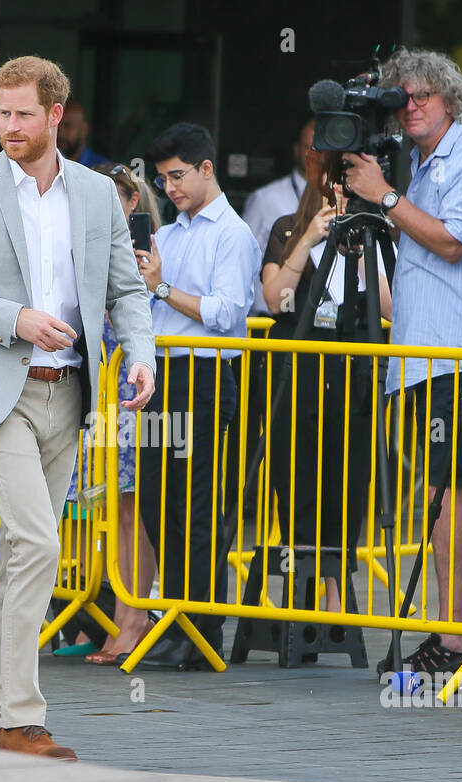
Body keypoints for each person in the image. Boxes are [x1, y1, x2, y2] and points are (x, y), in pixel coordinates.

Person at [0, 56, 155, 759]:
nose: (10, 127)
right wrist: (12, 316)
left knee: (23, 554)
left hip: (70, 391)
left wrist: (140, 352)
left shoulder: (95, 193)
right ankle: (22, 714)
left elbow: (125, 291)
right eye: (2, 114)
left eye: (24, 114)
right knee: (41, 544)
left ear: (57, 115)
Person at [340, 47, 462, 675]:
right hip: (421, 352)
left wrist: (383, 198)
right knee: (438, 493)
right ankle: (450, 629)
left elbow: (455, 241)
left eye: (423, 96)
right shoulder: (414, 160)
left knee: (451, 492)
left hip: (459, 354)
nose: (410, 106)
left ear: (450, 98)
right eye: (401, 98)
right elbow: (414, 261)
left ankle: (459, 636)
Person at [133, 121, 259, 671]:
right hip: (163, 372)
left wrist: (160, 287)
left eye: (178, 175)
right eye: (162, 180)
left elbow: (228, 314)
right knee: (161, 502)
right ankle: (179, 618)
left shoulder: (232, 234)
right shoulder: (177, 232)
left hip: (204, 377)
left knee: (196, 504)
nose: (171, 188)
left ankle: (200, 628)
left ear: (207, 168)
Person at [260, 170, 392, 613]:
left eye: (348, 190)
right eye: (333, 188)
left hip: (350, 368)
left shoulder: (371, 235)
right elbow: (276, 299)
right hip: (293, 370)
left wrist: (358, 251)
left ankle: (337, 592)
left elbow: (392, 306)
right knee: (291, 472)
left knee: (347, 475)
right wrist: (310, 240)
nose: (339, 197)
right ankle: (299, 586)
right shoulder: (287, 229)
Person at [58, 162, 164, 665]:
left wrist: (154, 281)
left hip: (130, 387)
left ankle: (133, 618)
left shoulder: (154, 251)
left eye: (127, 199)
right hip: (91, 386)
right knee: (90, 505)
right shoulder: (79, 240)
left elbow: (150, 318)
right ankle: (100, 618)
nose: (120, 207)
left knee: (129, 506)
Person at [243, 117, 313, 317]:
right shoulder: (266, 198)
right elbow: (245, 257)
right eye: (309, 148)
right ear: (297, 149)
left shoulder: (343, 202)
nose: (314, 157)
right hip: (267, 317)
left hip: (320, 319)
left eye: (322, 151)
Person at [57, 100, 109, 168]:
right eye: (56, 126)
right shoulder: (45, 167)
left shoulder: (102, 169)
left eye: (68, 126)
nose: (61, 134)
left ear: (83, 129)